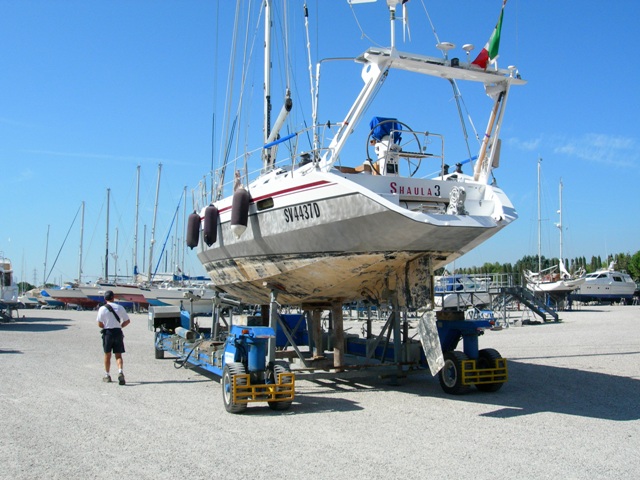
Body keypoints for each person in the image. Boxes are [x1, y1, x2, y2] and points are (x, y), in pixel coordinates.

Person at [96, 290, 131, 385]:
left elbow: (99, 323)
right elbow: (127, 321)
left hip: (108, 332)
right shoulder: (120, 307)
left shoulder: (102, 309)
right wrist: (120, 326)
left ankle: (107, 375)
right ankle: (120, 372)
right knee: (118, 355)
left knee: (107, 354)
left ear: (105, 298)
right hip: (118, 332)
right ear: (113, 297)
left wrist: (106, 326)